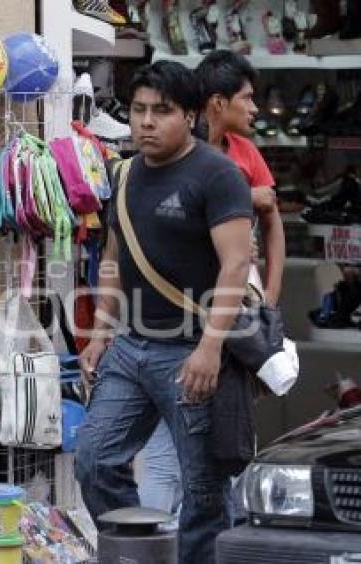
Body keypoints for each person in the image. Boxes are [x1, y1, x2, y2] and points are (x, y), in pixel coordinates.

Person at [75, 61, 253, 564]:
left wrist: (210, 348)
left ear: (193, 115)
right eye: (138, 110)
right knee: (93, 460)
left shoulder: (218, 175)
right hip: (131, 346)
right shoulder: (125, 172)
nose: (146, 122)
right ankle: (143, 553)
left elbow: (238, 262)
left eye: (162, 111)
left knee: (203, 492)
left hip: (191, 350)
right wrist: (99, 333)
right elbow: (112, 260)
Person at [137, 49, 286, 521]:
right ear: (216, 103)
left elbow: (270, 223)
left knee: (229, 432)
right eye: (246, 98)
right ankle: (157, 544)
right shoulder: (173, 155)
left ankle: (219, 539)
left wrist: (271, 301)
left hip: (232, 307)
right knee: (168, 451)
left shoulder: (243, 154)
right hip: (173, 319)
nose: (255, 108)